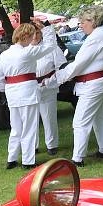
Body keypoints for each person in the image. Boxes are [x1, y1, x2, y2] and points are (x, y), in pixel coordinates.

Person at [48, 5, 103, 166]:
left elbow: (79, 64)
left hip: (93, 85)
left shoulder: (97, 37)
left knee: (80, 121)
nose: (80, 25)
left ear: (93, 21)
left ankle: (77, 159)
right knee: (100, 115)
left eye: (82, 22)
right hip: (101, 82)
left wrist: (56, 79)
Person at [0, 19, 56, 169]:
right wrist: (47, 30)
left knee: (16, 128)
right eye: (32, 36)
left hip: (12, 95)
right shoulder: (27, 52)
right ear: (26, 37)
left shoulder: (3, 56)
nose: (33, 39)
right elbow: (50, 46)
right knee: (29, 127)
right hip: (27, 92)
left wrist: (10, 89)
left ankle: (12, 159)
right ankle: (28, 161)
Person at [33, 28, 68, 156]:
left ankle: (52, 145)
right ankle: (32, 146)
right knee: (30, 118)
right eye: (32, 33)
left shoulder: (51, 48)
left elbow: (62, 67)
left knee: (49, 116)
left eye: (37, 32)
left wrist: (50, 81)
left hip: (48, 85)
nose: (35, 36)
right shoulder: (24, 50)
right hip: (30, 87)